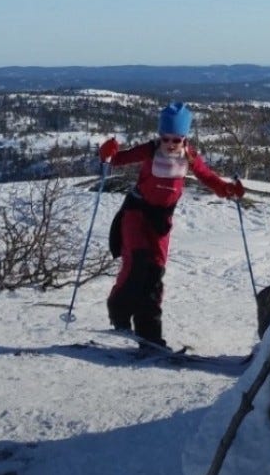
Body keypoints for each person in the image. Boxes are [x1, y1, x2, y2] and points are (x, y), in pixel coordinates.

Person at [98, 102, 245, 347]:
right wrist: (107, 153)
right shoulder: (150, 150)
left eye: (175, 139)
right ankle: (119, 313)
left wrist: (228, 190)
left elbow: (208, 177)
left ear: (184, 138)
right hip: (136, 212)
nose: (170, 144)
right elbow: (116, 160)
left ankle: (149, 333)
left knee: (155, 272)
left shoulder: (189, 156)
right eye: (165, 138)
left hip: (161, 219)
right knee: (137, 262)